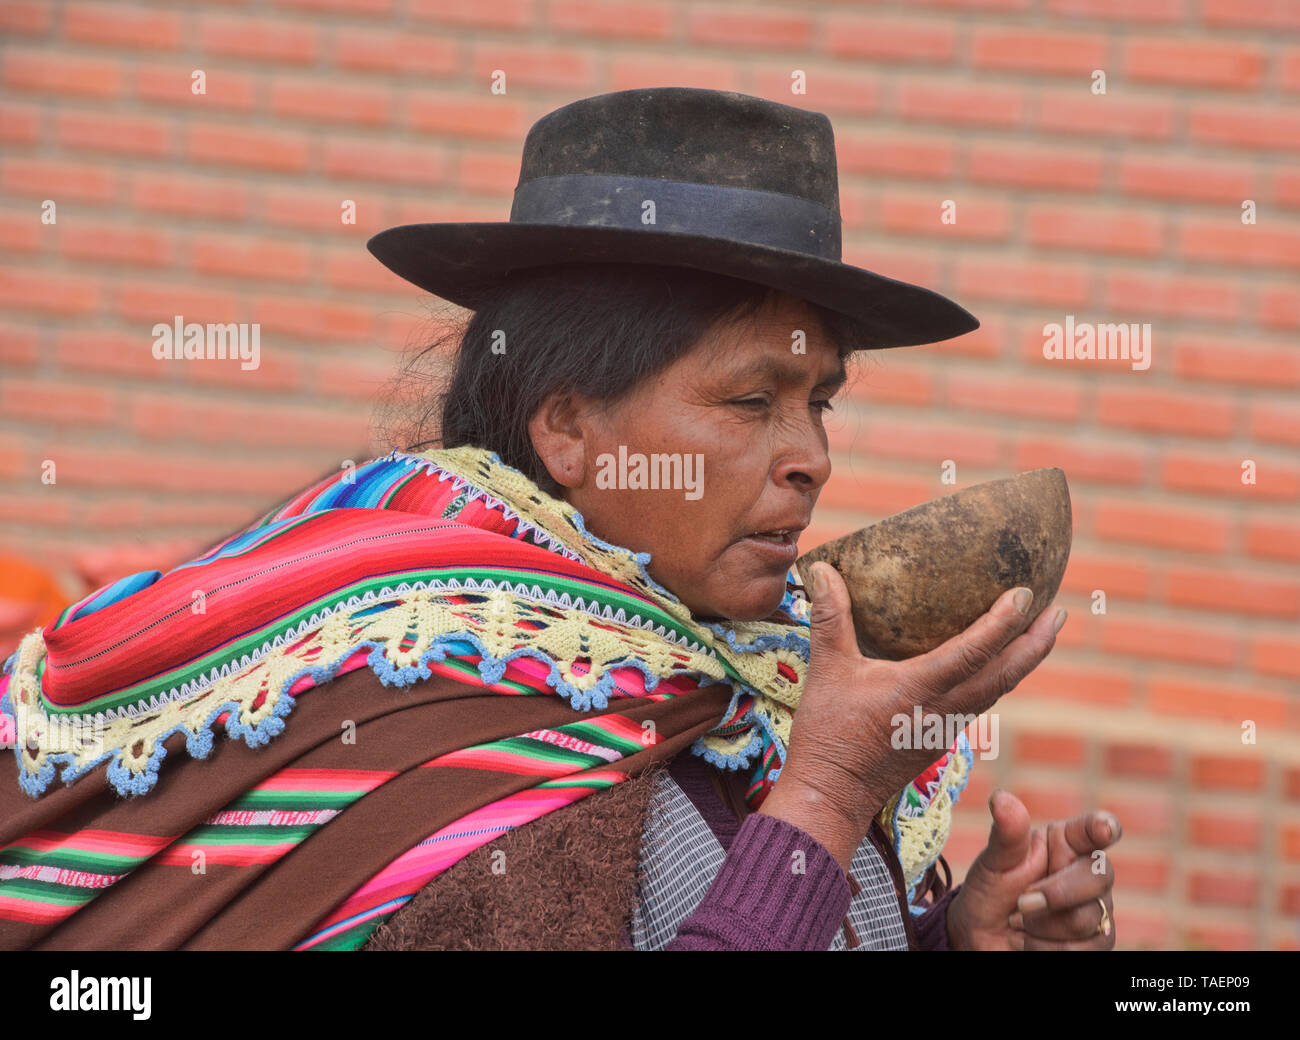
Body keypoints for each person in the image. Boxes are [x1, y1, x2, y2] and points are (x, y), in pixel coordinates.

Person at [0, 88, 1119, 950]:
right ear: (569, 427)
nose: (811, 460)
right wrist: (824, 795)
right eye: (750, 401)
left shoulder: (742, 685)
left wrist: (951, 934)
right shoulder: (414, 709)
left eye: (818, 401)